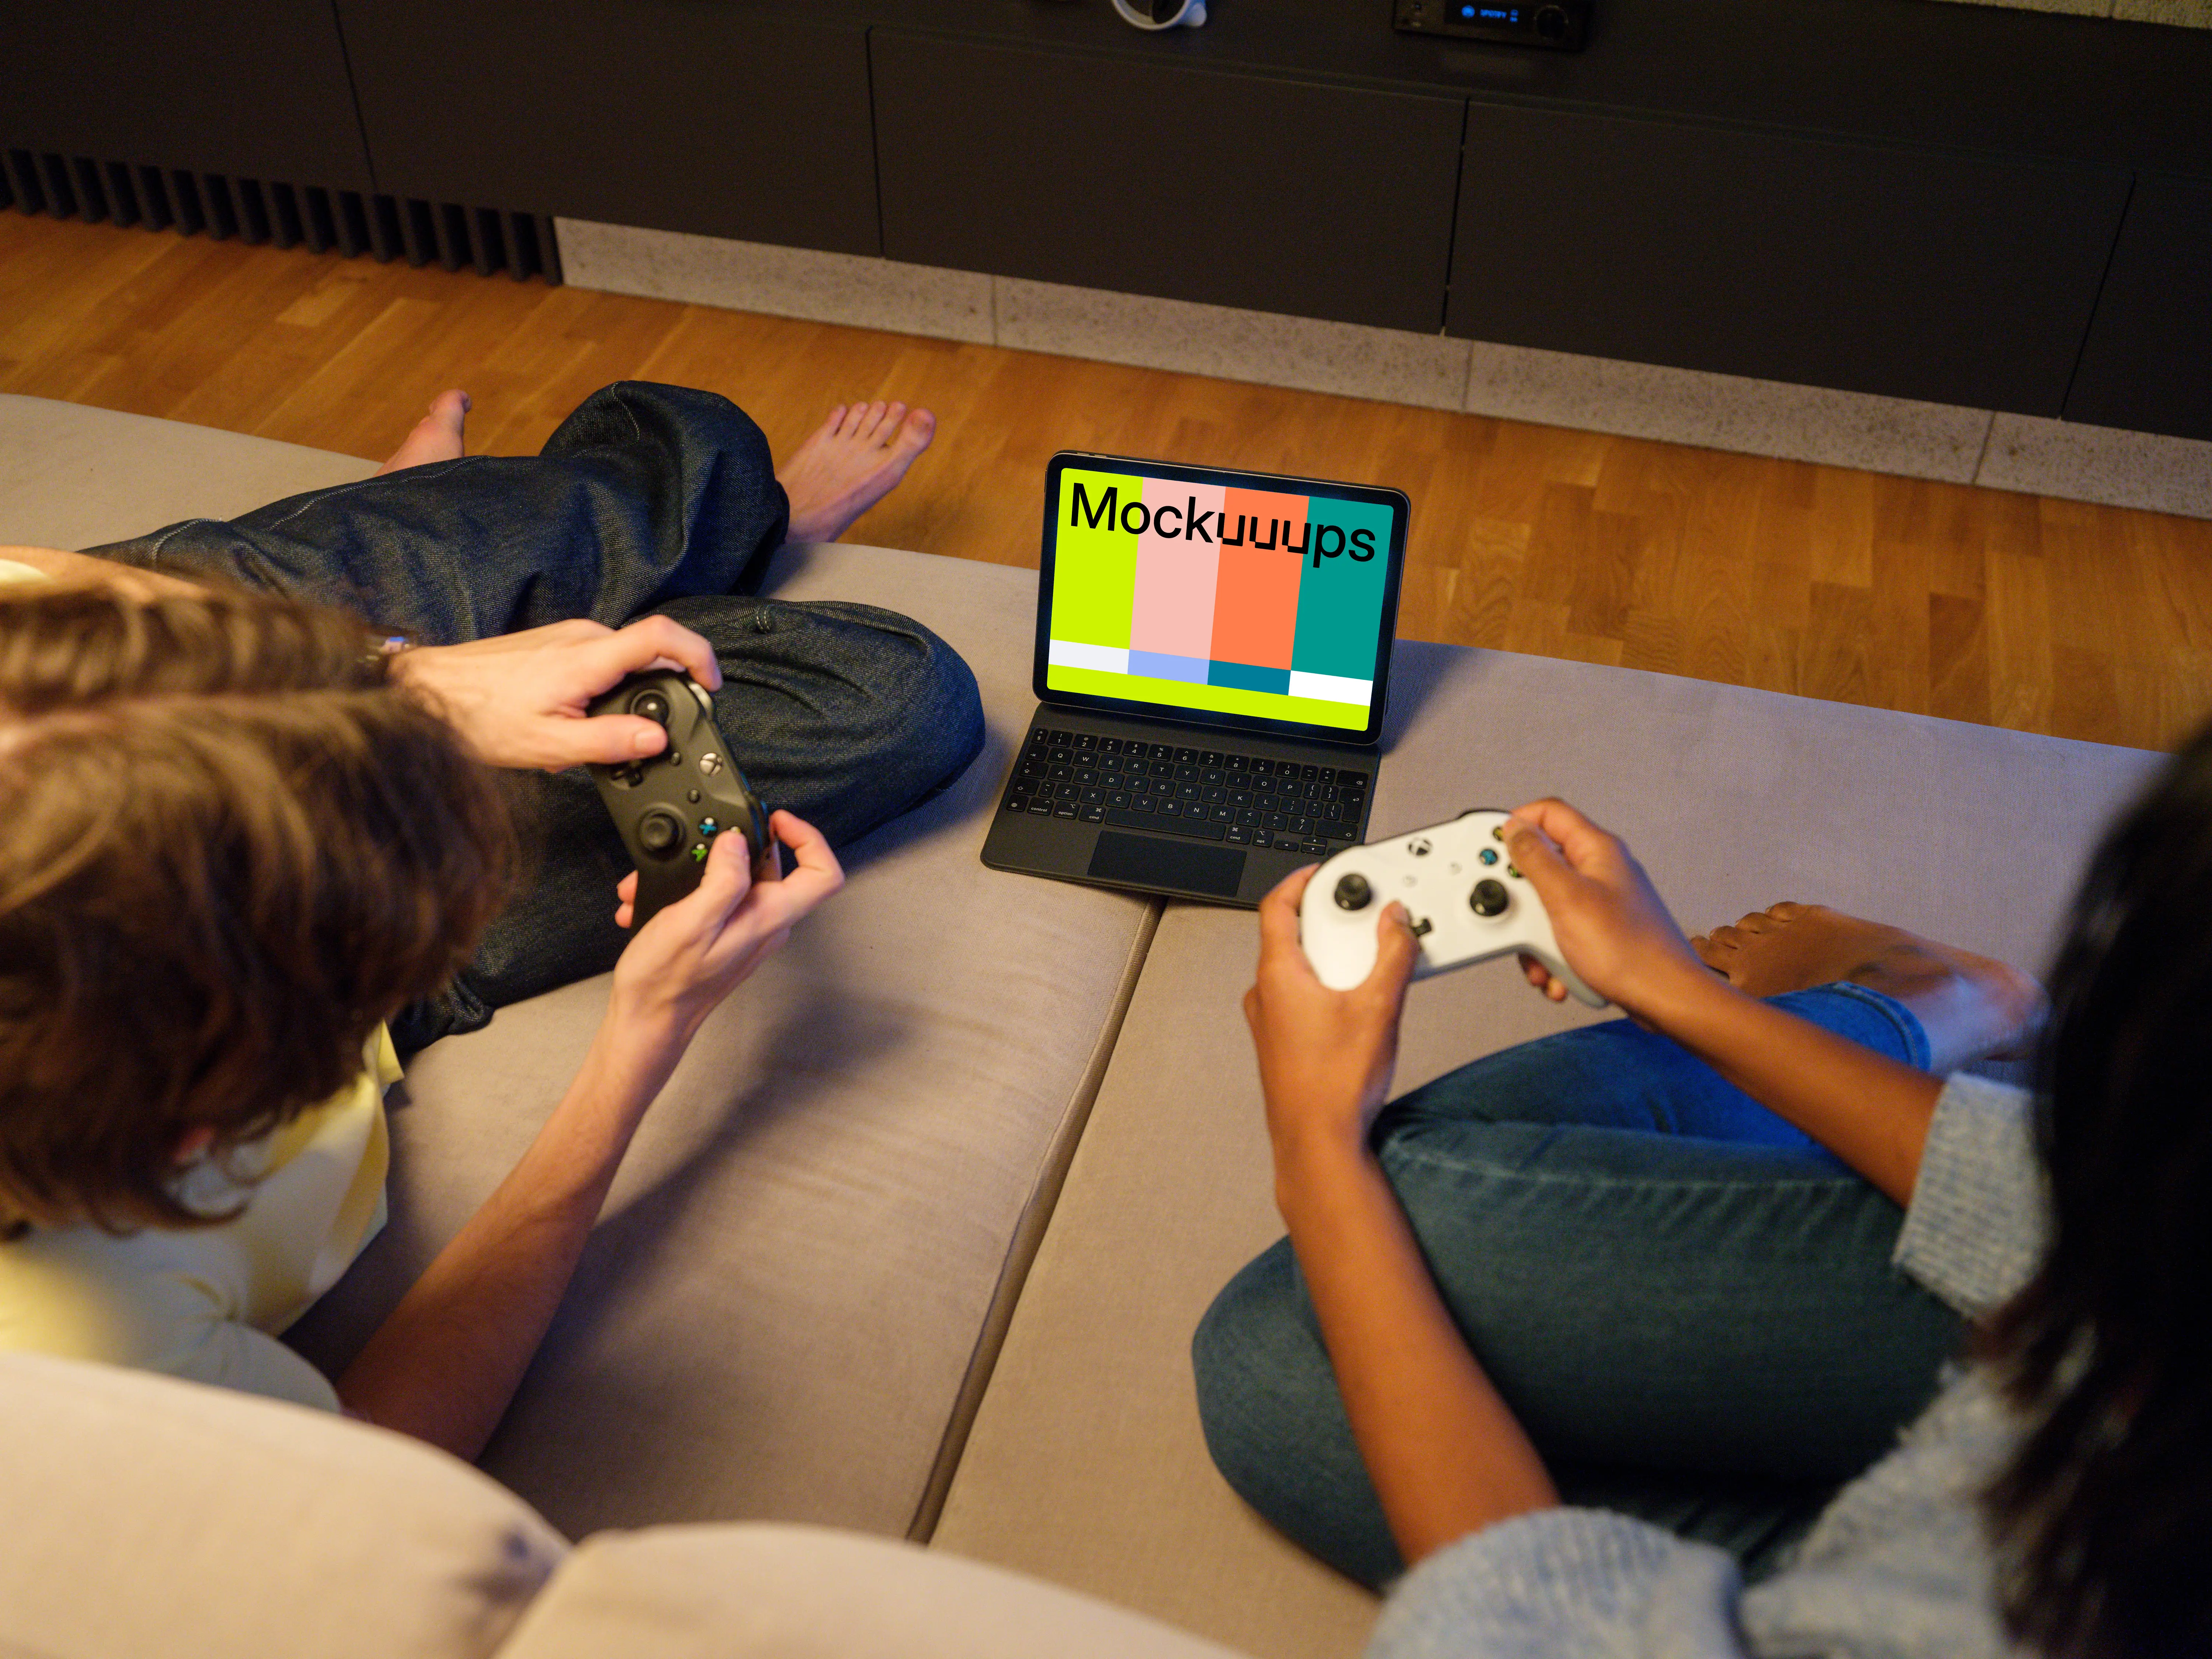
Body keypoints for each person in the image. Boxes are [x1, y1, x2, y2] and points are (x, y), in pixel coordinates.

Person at [1196, 743, 2212, 1656]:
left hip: (2014, 1524)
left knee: (1270, 1362)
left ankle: (1925, 1008)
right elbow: (2052, 1212)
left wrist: (1317, 1148)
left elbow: (1528, 1627)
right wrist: (1674, 987)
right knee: (1354, 1282)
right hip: (2070, 1430)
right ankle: (1933, 997)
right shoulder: (2131, 1290)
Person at [0, 574, 852, 1460]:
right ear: (201, 1133)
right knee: (880, 699)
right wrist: (644, 1038)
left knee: (682, 511)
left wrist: (419, 681)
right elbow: (388, 1460)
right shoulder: (92, 1357)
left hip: (280, 689)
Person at [0, 382, 982, 1049]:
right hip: (339, 931)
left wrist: (407, 678)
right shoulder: (128, 1281)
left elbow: (31, 585)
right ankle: (727, 554)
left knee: (701, 446)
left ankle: (711, 538)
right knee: (904, 696)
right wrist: (645, 1032)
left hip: (199, 662)